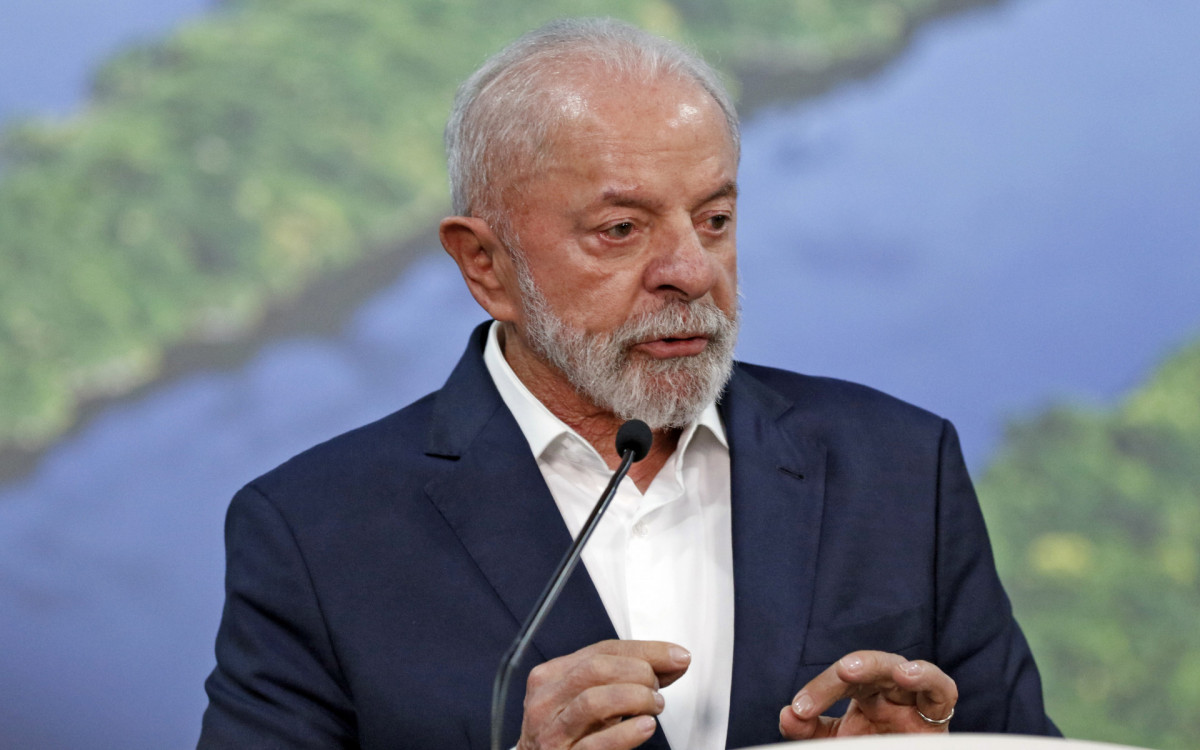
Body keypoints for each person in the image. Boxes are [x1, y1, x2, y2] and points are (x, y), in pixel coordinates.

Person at [199, 17, 1058, 750]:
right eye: (620, 229)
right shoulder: (315, 534)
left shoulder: (900, 468)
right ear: (486, 265)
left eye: (714, 219)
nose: (692, 269)